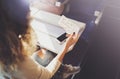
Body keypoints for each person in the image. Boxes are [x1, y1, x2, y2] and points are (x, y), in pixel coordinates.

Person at [0, 0, 80, 79]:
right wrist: (65, 47)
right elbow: (47, 75)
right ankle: (59, 75)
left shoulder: (6, 41)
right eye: (28, 14)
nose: (30, 17)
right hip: (39, 74)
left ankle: (61, 69)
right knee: (47, 56)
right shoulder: (18, 62)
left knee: (44, 53)